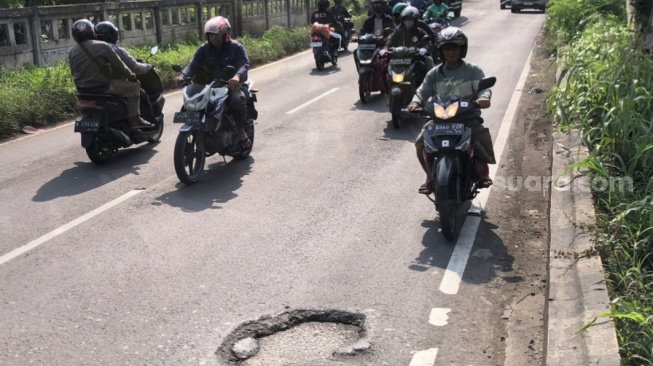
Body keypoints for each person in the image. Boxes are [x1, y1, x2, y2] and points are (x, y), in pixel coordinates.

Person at [406, 27, 495, 194]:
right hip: (440, 118)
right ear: (441, 51)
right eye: (447, 48)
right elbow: (422, 91)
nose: (451, 52)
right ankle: (430, 176)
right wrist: (415, 103)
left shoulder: (472, 70)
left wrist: (483, 98)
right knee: (419, 143)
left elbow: (484, 87)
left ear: (462, 49)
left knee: (478, 135)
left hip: (466, 117)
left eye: (454, 48)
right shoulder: (434, 73)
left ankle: (482, 173)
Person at [173, 16, 251, 147]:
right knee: (191, 104)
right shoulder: (204, 49)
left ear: (226, 35)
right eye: (211, 35)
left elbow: (244, 64)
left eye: (217, 35)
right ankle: (200, 129)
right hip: (207, 85)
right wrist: (183, 76)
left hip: (230, 85)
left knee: (235, 102)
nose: (213, 38)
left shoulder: (236, 47)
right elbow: (192, 65)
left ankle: (241, 131)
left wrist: (237, 77)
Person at [68, 19, 152, 128]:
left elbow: (73, 72)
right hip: (102, 87)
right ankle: (135, 119)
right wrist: (132, 77)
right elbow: (120, 66)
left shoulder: (72, 51)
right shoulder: (102, 46)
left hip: (82, 91)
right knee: (134, 87)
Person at [94, 21, 156, 124]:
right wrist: (149, 66)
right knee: (137, 89)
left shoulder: (88, 49)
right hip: (109, 85)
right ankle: (135, 118)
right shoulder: (114, 50)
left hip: (89, 87)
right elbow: (136, 68)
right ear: (113, 35)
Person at [384, 5, 434, 85]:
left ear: (415, 20)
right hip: (399, 59)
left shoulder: (420, 31)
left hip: (415, 58)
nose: (408, 22)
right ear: (402, 20)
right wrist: (385, 48)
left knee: (429, 60)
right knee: (385, 65)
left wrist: (424, 49)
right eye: (406, 19)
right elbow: (390, 41)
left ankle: (431, 85)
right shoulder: (398, 31)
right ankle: (387, 85)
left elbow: (427, 42)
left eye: (410, 20)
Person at [354, 0, 395, 69]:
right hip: (371, 43)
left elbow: (393, 31)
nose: (377, 7)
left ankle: (388, 71)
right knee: (356, 52)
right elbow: (363, 30)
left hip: (384, 43)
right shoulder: (369, 20)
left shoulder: (388, 19)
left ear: (384, 6)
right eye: (375, 5)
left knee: (389, 55)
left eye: (379, 5)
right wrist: (358, 37)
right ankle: (361, 69)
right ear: (373, 6)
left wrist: (389, 37)